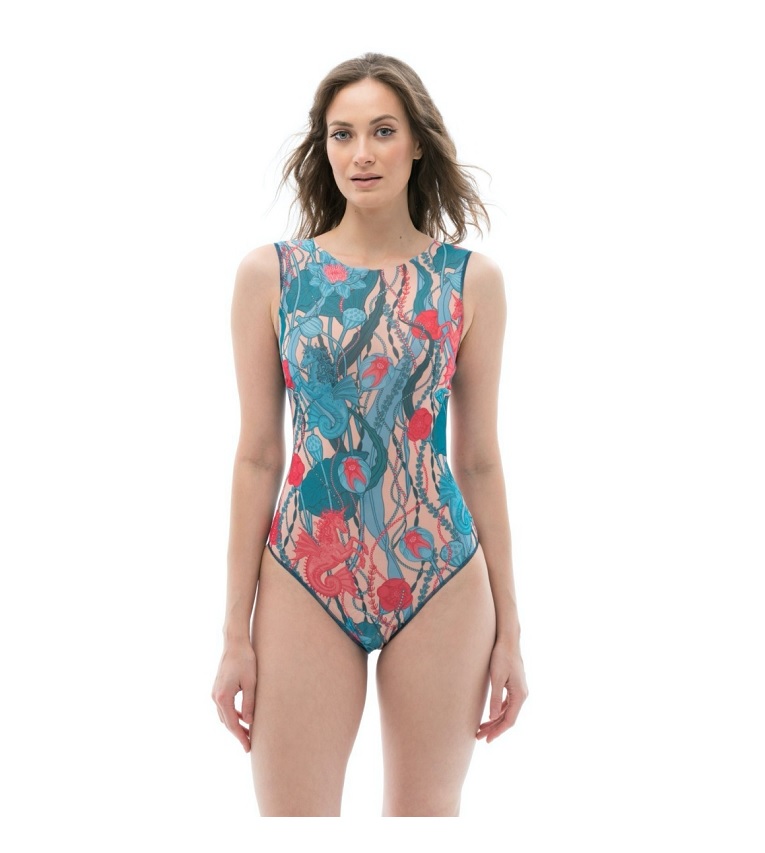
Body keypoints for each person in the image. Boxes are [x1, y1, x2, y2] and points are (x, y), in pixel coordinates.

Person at [211, 52, 528, 817]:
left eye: (382, 131)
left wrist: (511, 632)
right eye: (342, 133)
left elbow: (478, 460)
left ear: (416, 143)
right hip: (304, 570)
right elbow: (257, 455)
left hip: (441, 574)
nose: (361, 152)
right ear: (323, 147)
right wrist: (233, 635)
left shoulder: (470, 281)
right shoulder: (271, 276)